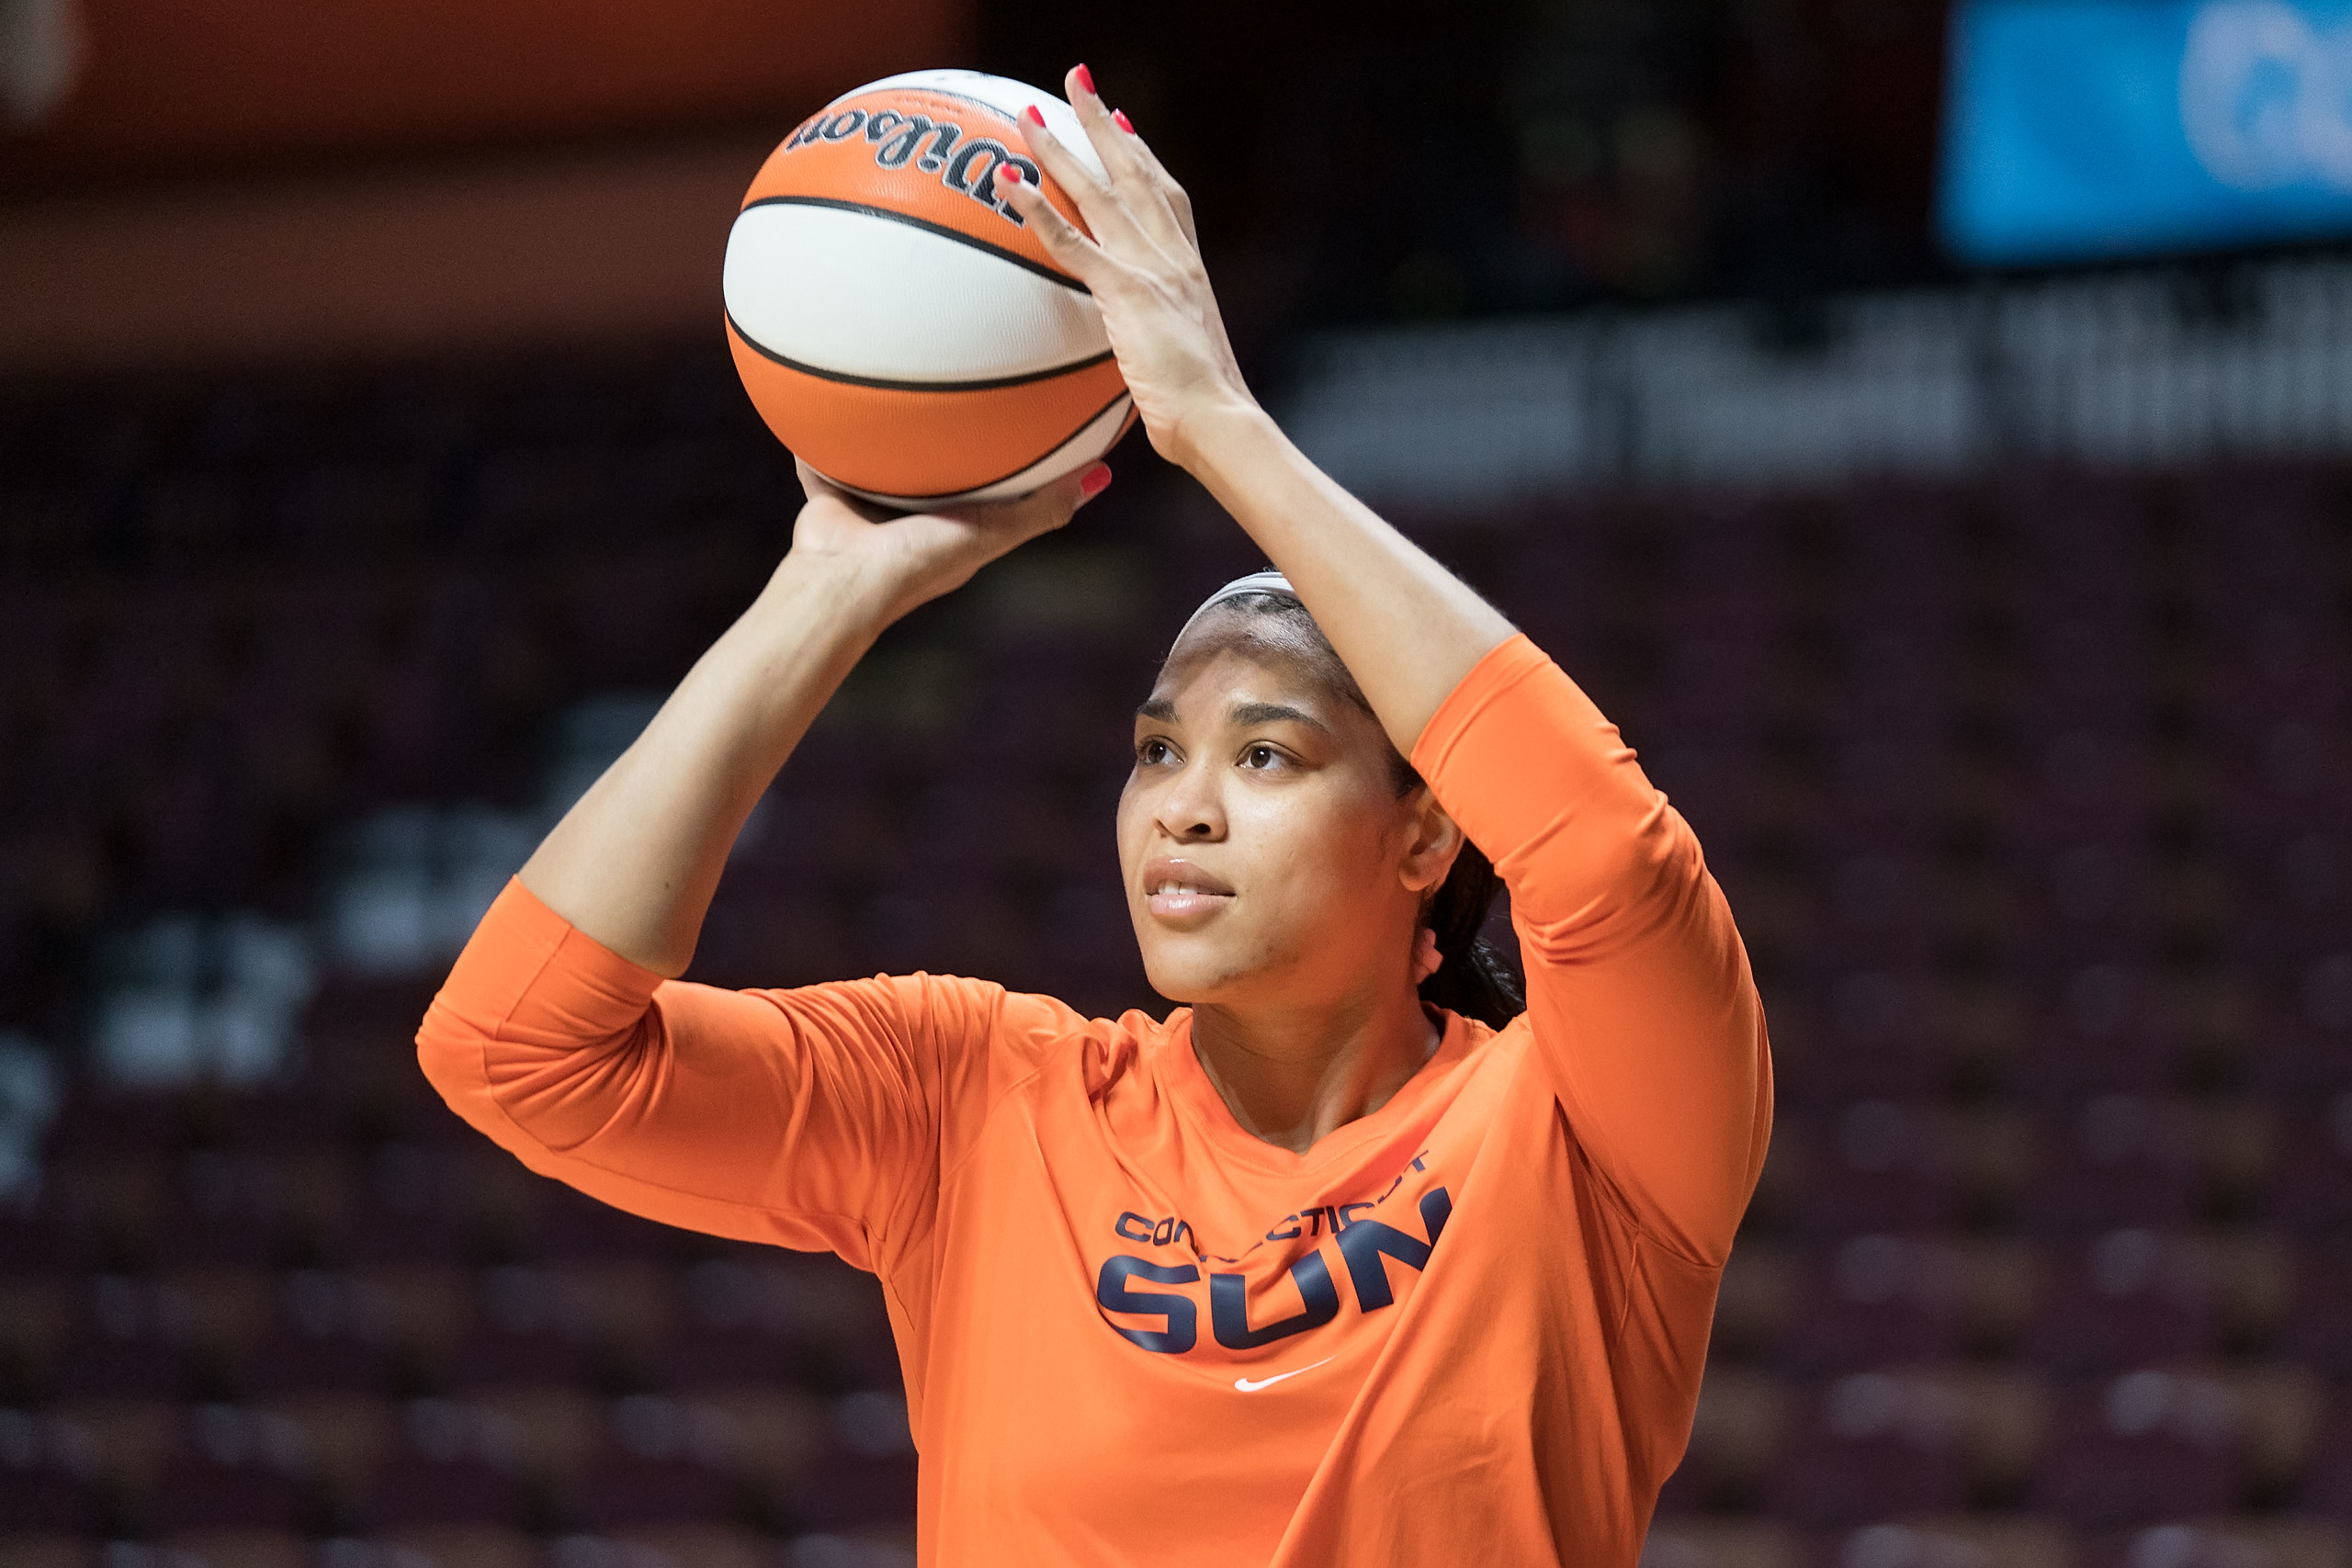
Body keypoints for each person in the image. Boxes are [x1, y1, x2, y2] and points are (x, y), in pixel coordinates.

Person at [418, 65, 1771, 1568]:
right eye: (1156, 750)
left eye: (1267, 757)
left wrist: (1221, 429)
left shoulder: (1587, 1132)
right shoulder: (974, 1102)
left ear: (1423, 835)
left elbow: (1611, 858)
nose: (1182, 809)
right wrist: (827, 588)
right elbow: (518, 1051)